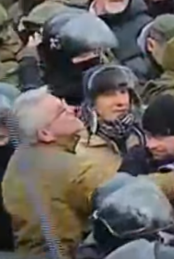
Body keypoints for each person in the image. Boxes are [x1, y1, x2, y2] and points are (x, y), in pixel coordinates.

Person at [2, 87, 118, 254]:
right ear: (45, 133)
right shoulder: (64, 167)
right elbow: (114, 193)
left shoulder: (23, 157)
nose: (73, 109)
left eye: (65, 104)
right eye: (62, 111)